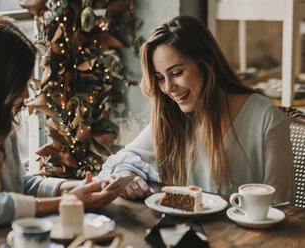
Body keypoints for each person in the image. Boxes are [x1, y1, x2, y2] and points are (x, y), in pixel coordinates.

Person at [0, 15, 121, 243]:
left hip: (3, 238)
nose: (25, 94)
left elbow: (19, 185)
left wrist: (72, 188)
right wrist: (67, 203)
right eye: (18, 83)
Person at [99, 15, 294, 204]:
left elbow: (281, 208)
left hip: (247, 237)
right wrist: (126, 174)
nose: (167, 88)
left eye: (177, 73)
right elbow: (125, 158)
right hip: (183, 232)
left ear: (207, 61)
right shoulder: (172, 115)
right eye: (159, 78)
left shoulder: (265, 118)